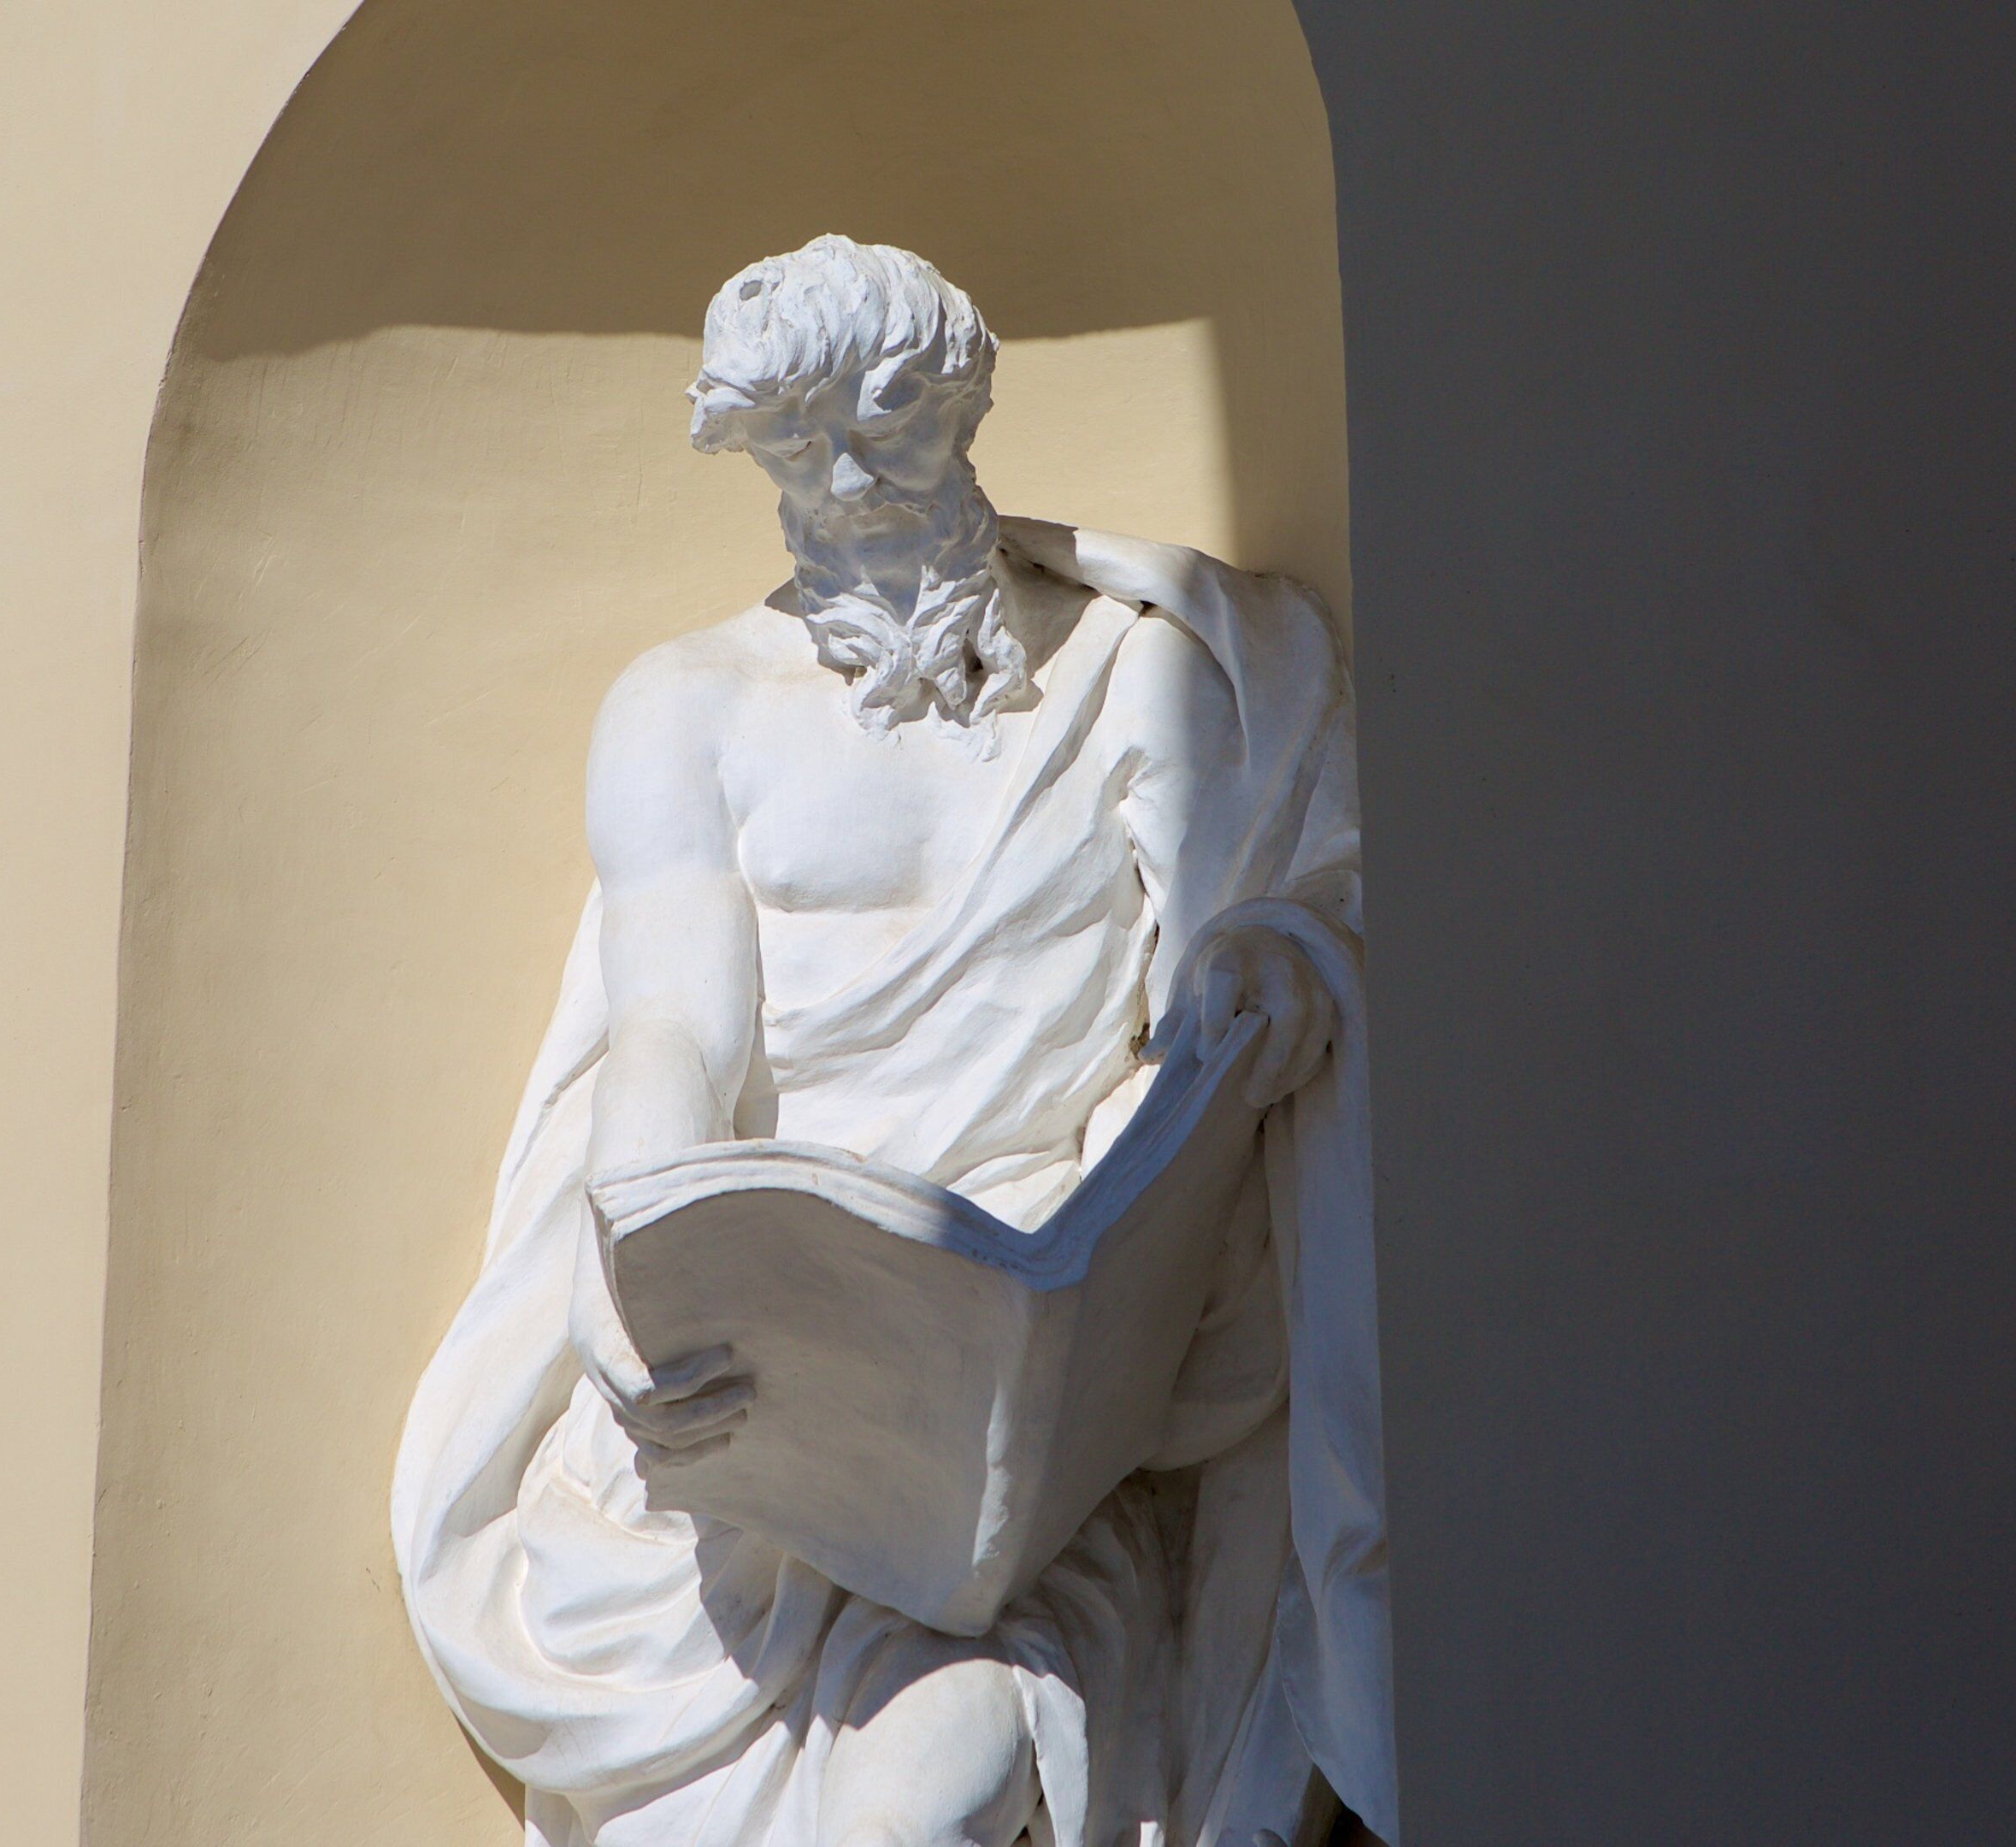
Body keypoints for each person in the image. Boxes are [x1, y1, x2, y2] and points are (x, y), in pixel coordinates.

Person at [393, 237, 1393, 1847]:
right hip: (769, 1382)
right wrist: (628, 1266)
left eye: (885, 424)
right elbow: (672, 1023)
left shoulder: (1142, 678)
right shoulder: (690, 703)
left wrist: (1267, 975)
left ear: (965, 405)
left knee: (930, 1802)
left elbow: (1217, 986)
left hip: (1032, 1383)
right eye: (796, 444)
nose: (847, 480)